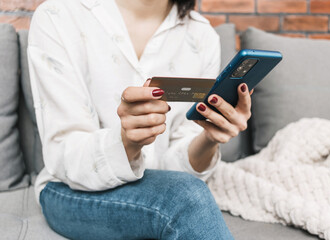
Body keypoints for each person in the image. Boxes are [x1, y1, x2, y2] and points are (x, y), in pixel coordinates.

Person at [28, 0, 252, 239]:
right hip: (69, 189)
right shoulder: (59, 15)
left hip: (157, 189)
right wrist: (126, 141)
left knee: (184, 194)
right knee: (186, 197)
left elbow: (176, 171)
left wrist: (209, 137)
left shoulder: (201, 34)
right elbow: (65, 157)